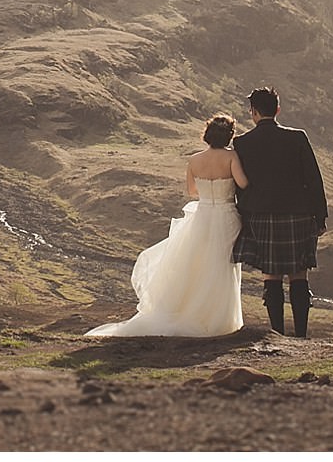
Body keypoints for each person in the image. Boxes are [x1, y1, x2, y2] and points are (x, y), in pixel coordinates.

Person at [86, 115, 248, 338]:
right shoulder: (231, 157)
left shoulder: (194, 160)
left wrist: (209, 191)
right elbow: (243, 183)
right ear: (229, 135)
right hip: (225, 214)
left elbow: (192, 191)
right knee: (222, 264)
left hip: (203, 214)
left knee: (198, 263)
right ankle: (220, 320)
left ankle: (193, 312)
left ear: (207, 134)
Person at [232, 86, 328, 337]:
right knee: (299, 273)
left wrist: (244, 216)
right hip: (298, 213)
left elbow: (240, 185)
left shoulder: (242, 143)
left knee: (271, 275)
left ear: (253, 112)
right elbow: (313, 178)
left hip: (262, 216)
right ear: (277, 109)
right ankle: (301, 334)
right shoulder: (297, 137)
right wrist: (320, 215)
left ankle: (277, 334)